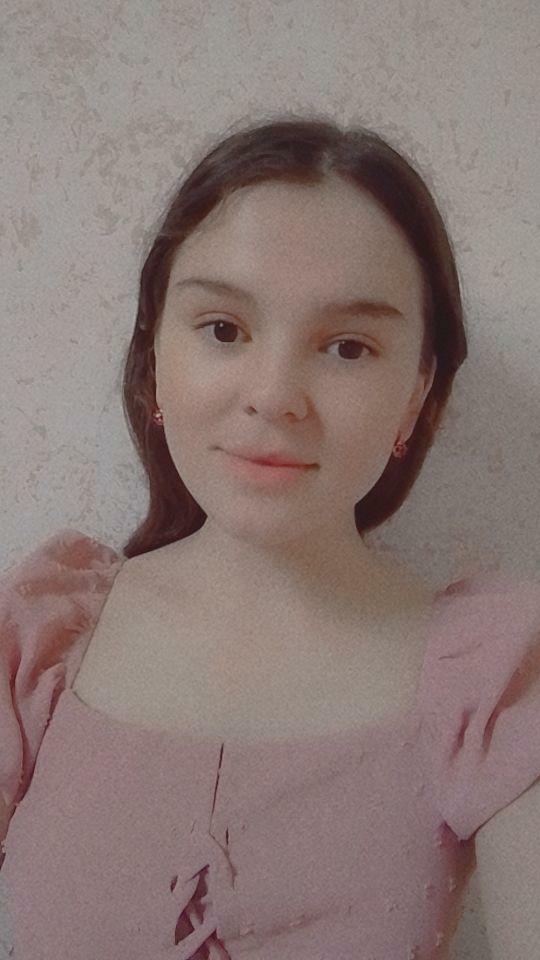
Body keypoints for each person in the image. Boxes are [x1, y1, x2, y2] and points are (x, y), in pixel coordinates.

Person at [1, 112, 539, 960]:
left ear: (417, 391)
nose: (275, 394)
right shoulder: (38, 634)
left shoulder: (496, 673)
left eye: (349, 347)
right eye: (224, 329)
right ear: (155, 357)